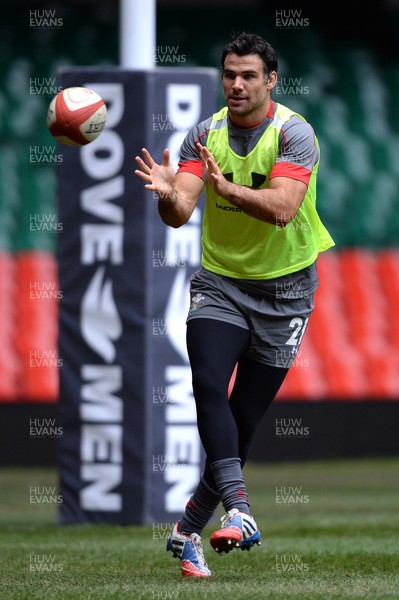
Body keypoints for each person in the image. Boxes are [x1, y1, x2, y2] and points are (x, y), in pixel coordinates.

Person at [135, 31, 335, 578]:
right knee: (205, 380)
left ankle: (186, 532)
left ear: (271, 80)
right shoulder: (206, 133)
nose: (237, 84)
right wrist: (168, 195)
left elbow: (283, 209)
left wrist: (229, 193)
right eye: (229, 74)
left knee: (242, 423)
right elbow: (180, 214)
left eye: (249, 75)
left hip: (286, 292)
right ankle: (242, 511)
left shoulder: (296, 133)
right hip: (221, 283)